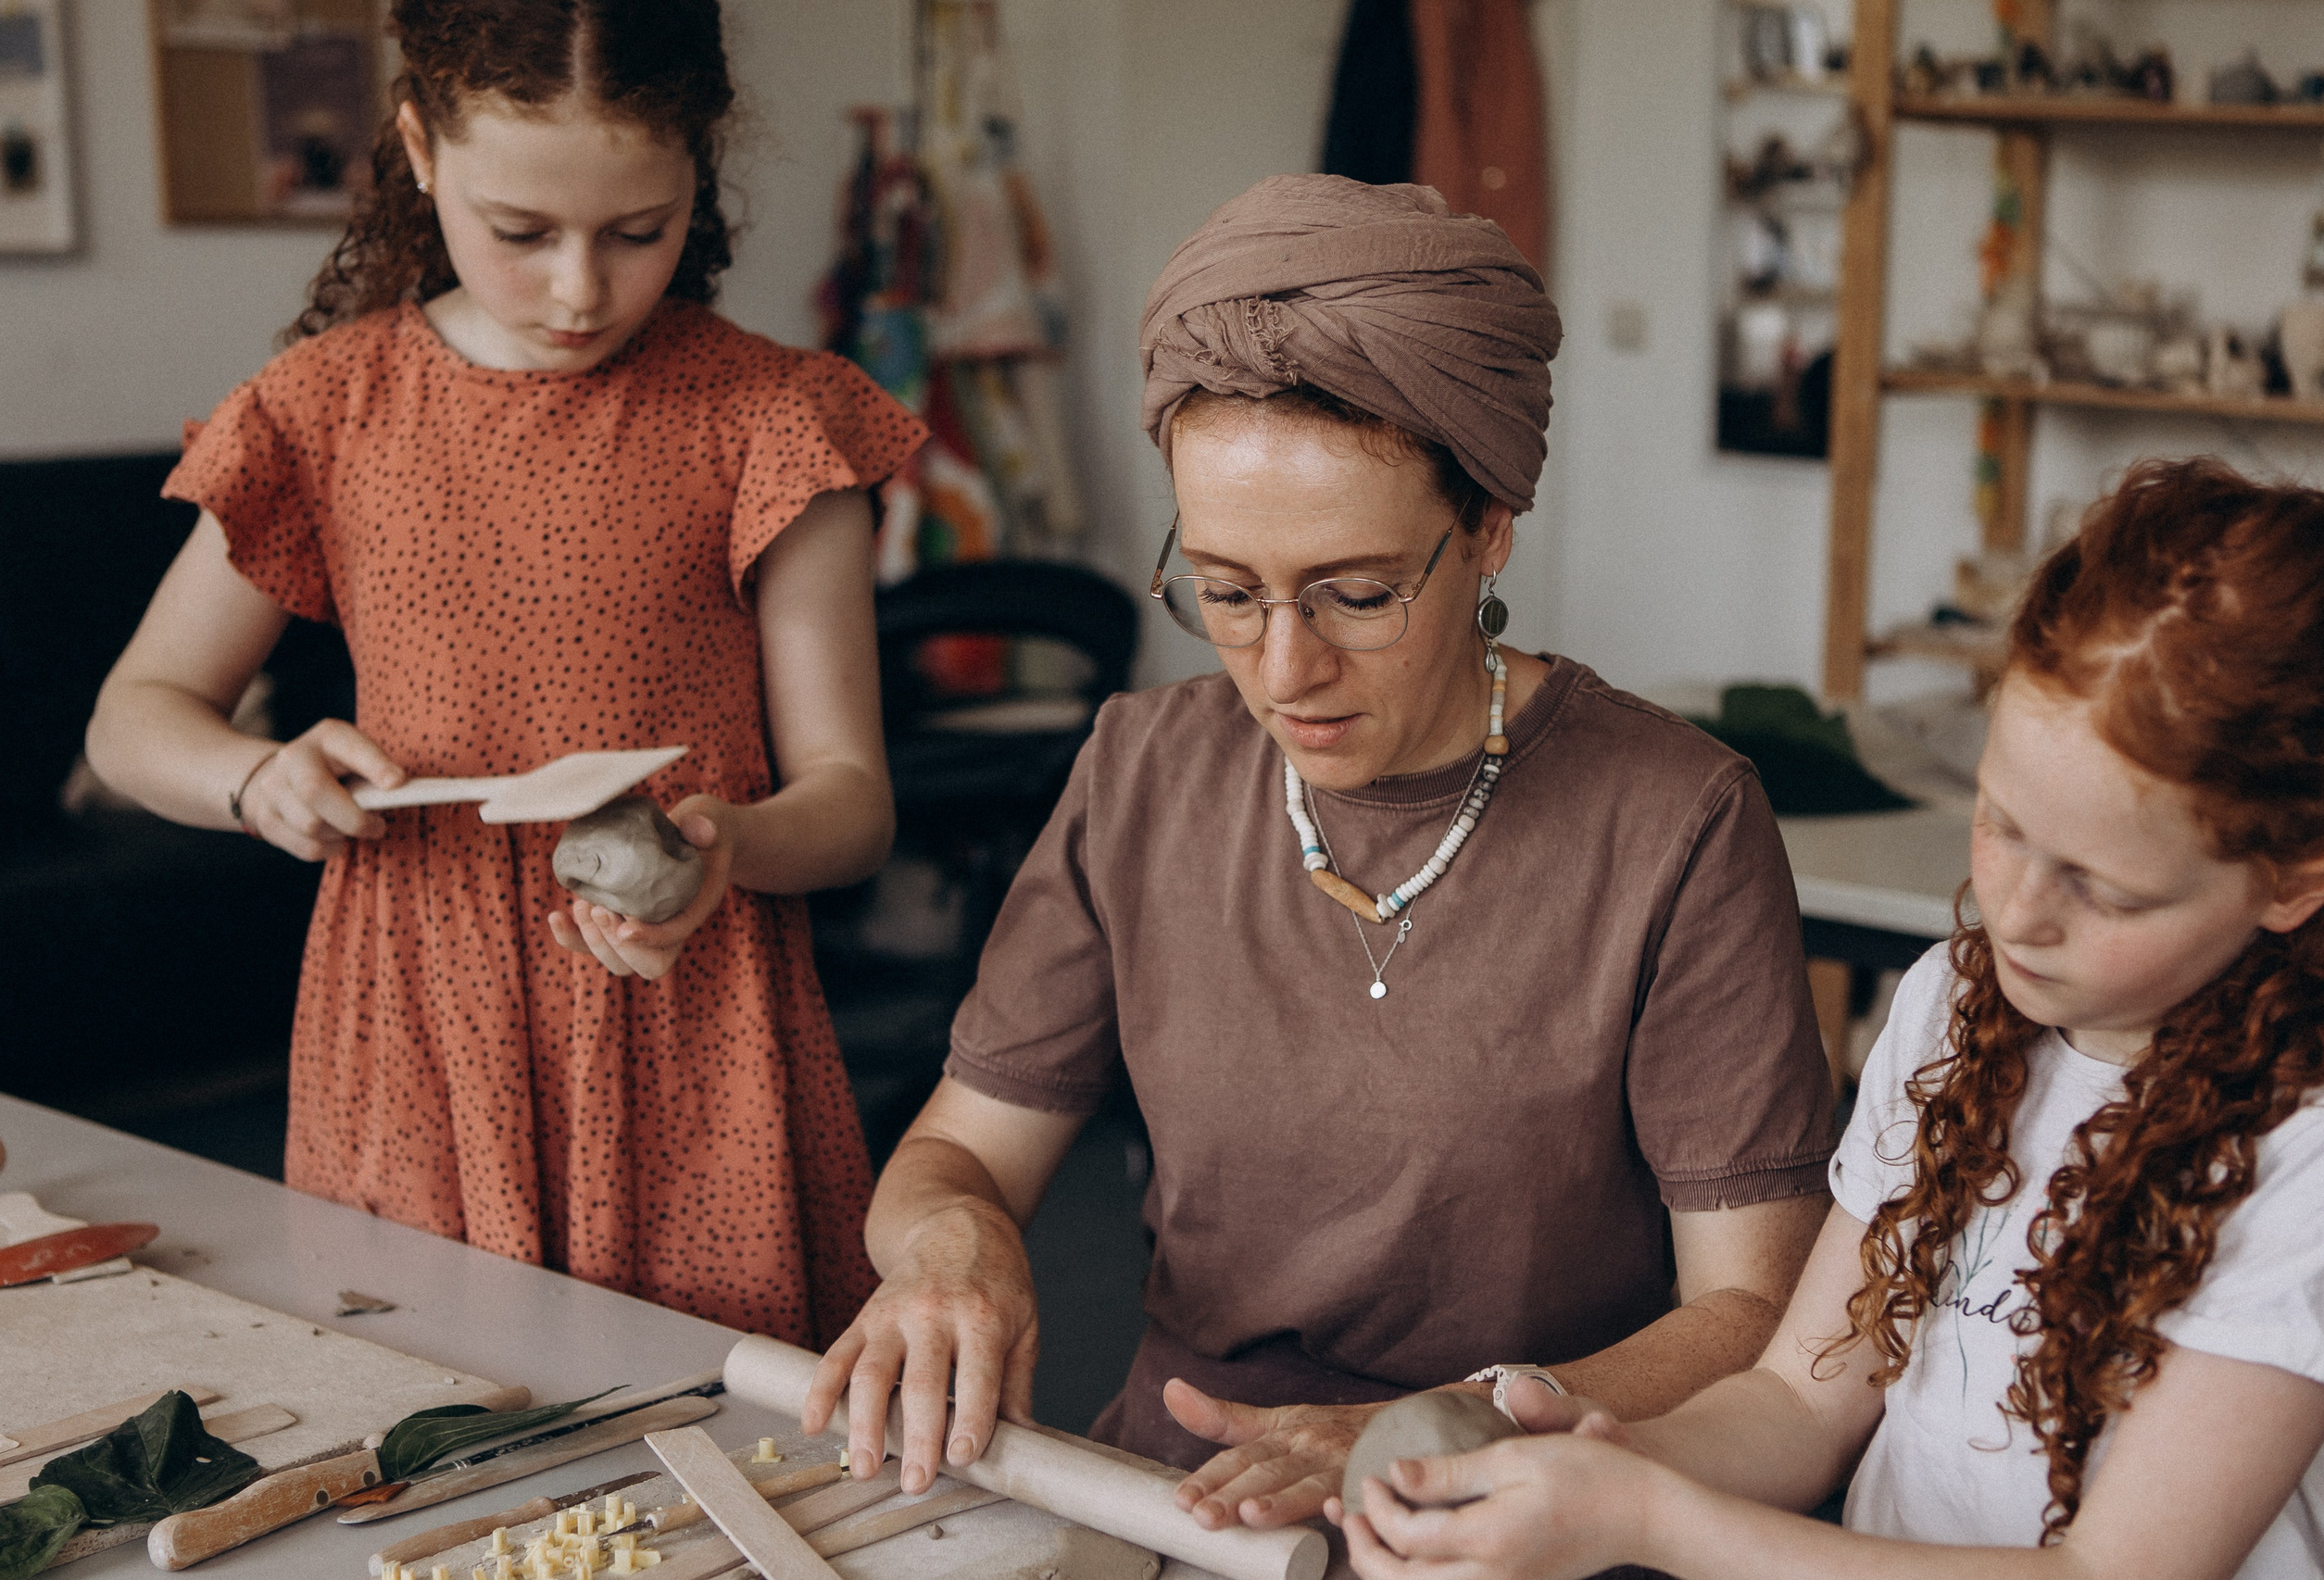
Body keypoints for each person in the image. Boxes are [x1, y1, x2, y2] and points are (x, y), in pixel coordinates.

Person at [801, 173, 1839, 1528]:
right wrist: (954, 1244)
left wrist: (1450, 1418)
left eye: (1355, 595)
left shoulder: (1674, 822)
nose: (1284, 670)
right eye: (1226, 593)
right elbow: (963, 1152)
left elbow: (1751, 1311)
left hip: (1518, 1506)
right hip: (1187, 1498)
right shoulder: (1142, 769)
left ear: (1488, 529)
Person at [1344, 458, 2324, 1580]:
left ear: (2296, 883)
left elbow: (2110, 1572)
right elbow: (1798, 1400)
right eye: (2000, 821)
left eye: (2106, 889)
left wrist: (1648, 1517)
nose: (2016, 913)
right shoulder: (1957, 1006)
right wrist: (1603, 1461)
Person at [83, 0, 926, 1347]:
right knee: (425, 1395)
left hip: (688, 1013)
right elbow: (134, 720)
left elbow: (853, 800)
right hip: (413, 1020)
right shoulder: (324, 408)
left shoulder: (774, 418)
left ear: (697, 171)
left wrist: (728, 847)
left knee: (723, 1421)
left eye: (637, 231)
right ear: (421, 150)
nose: (580, 290)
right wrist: (254, 779)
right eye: (522, 233)